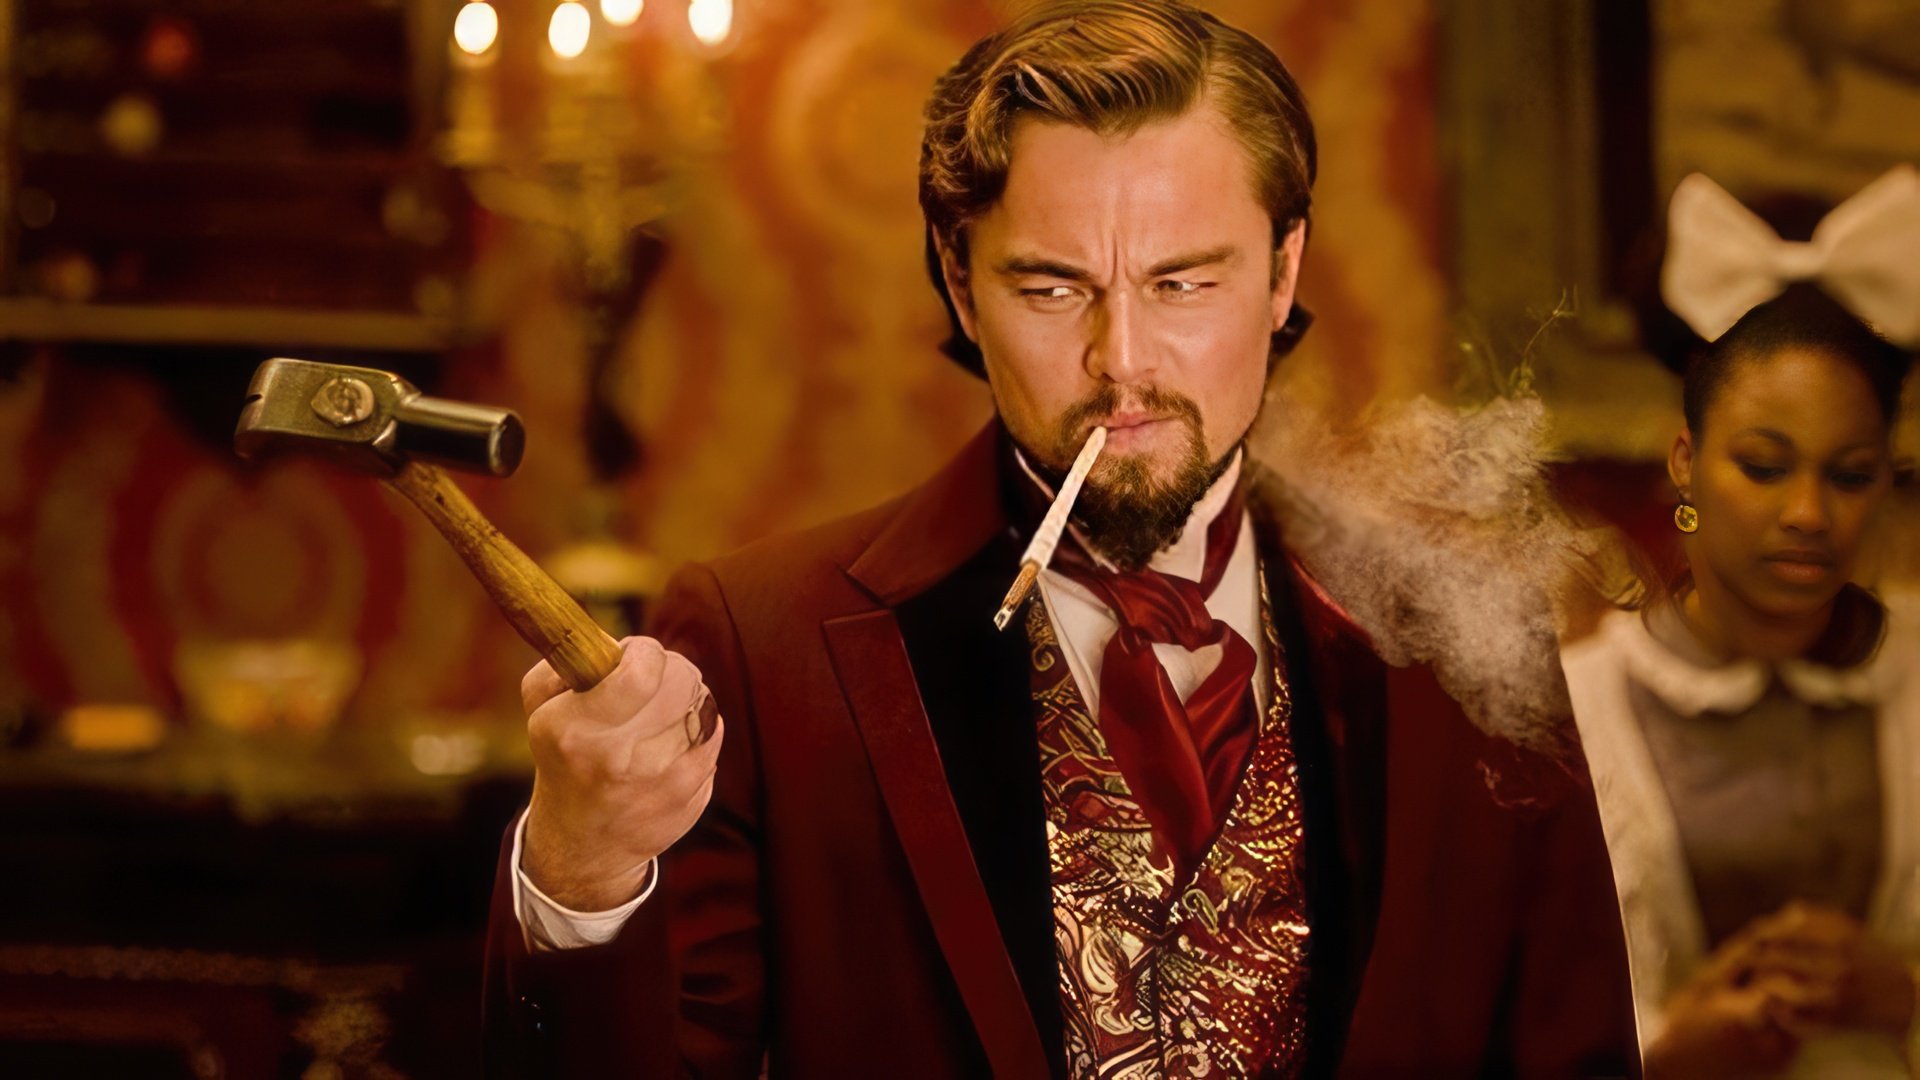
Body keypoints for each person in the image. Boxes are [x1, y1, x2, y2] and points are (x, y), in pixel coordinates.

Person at [484, 2, 1637, 1075]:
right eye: (1051, 289)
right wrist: (581, 872)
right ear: (961, 283)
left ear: (1283, 272)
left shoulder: (1466, 638)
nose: (1121, 360)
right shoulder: (765, 645)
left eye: (1183, 283)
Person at [1562, 165, 1920, 1079]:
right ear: (1685, 460)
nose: (1807, 513)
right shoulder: (1576, 716)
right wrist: (1669, 1051)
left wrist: (1903, 996)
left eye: (1849, 476)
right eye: (1764, 467)